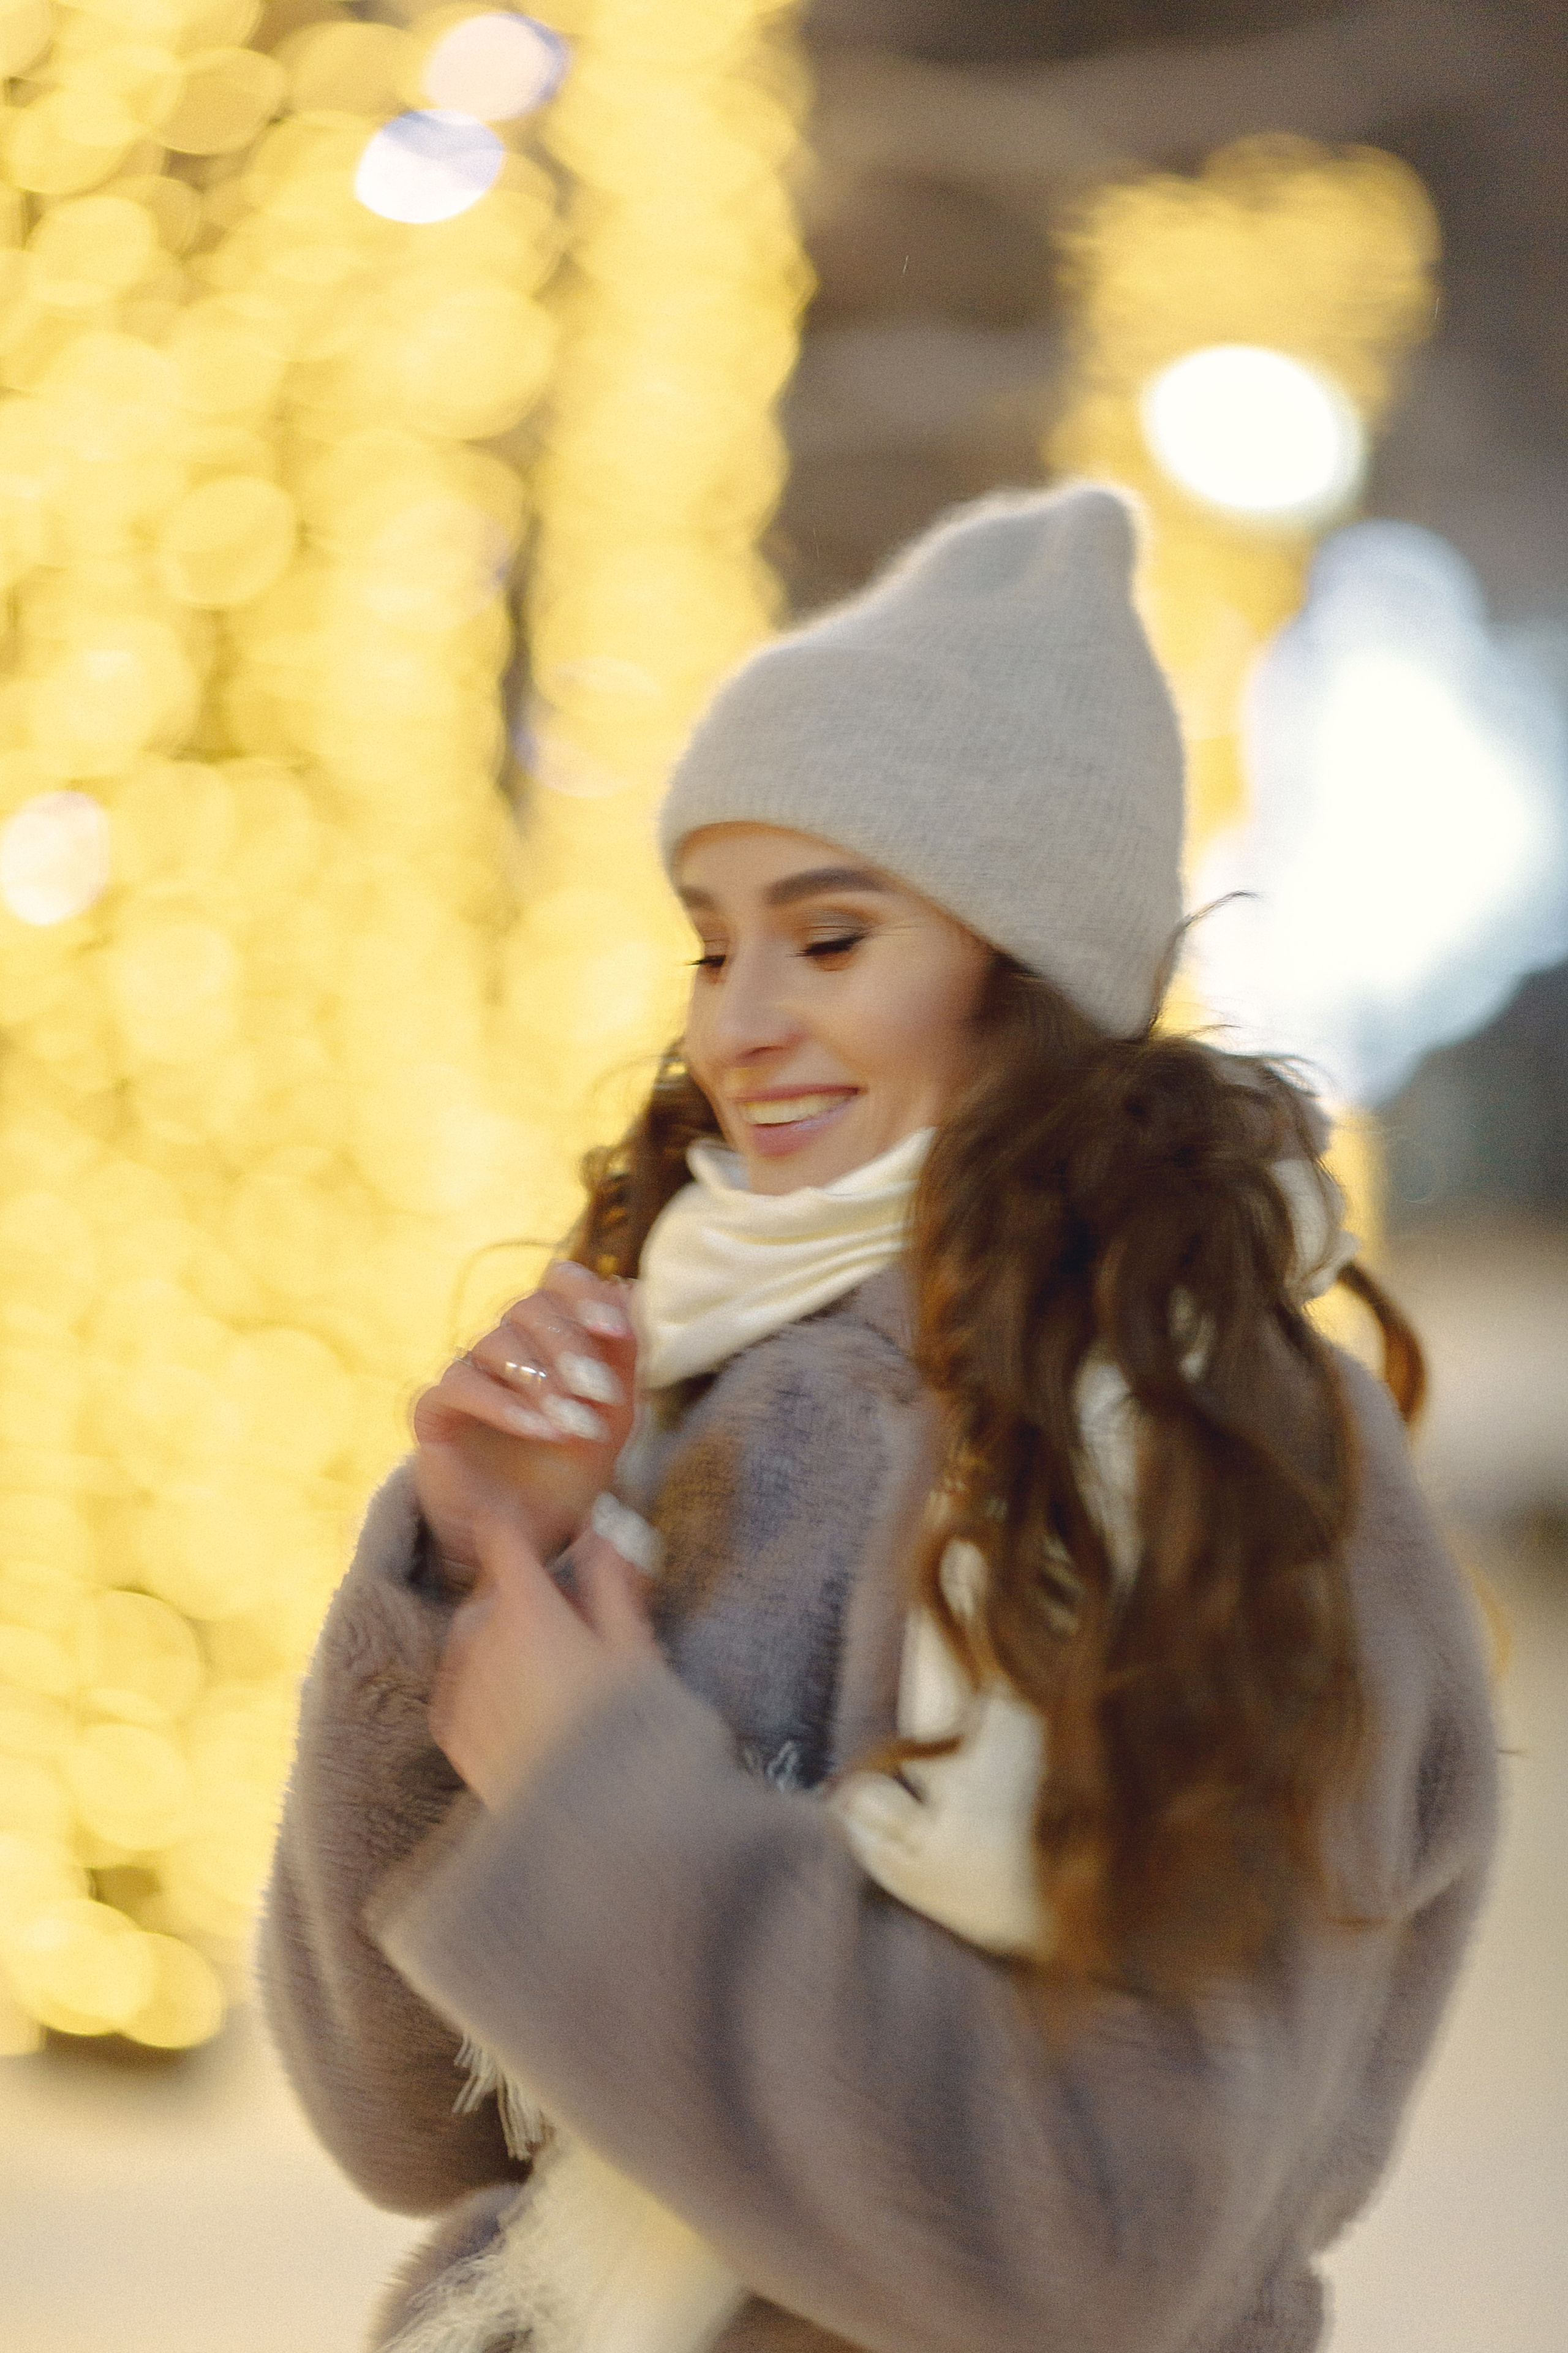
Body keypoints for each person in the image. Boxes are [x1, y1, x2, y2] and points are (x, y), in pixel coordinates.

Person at [262, 485, 1499, 2353]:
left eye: (828, 941)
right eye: (710, 941)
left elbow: (1096, 2246)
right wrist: (466, 1569)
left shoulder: (1225, 1454)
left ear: (1029, 965)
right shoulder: (699, 1384)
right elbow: (409, 2130)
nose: (735, 1023)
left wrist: (601, 1796)